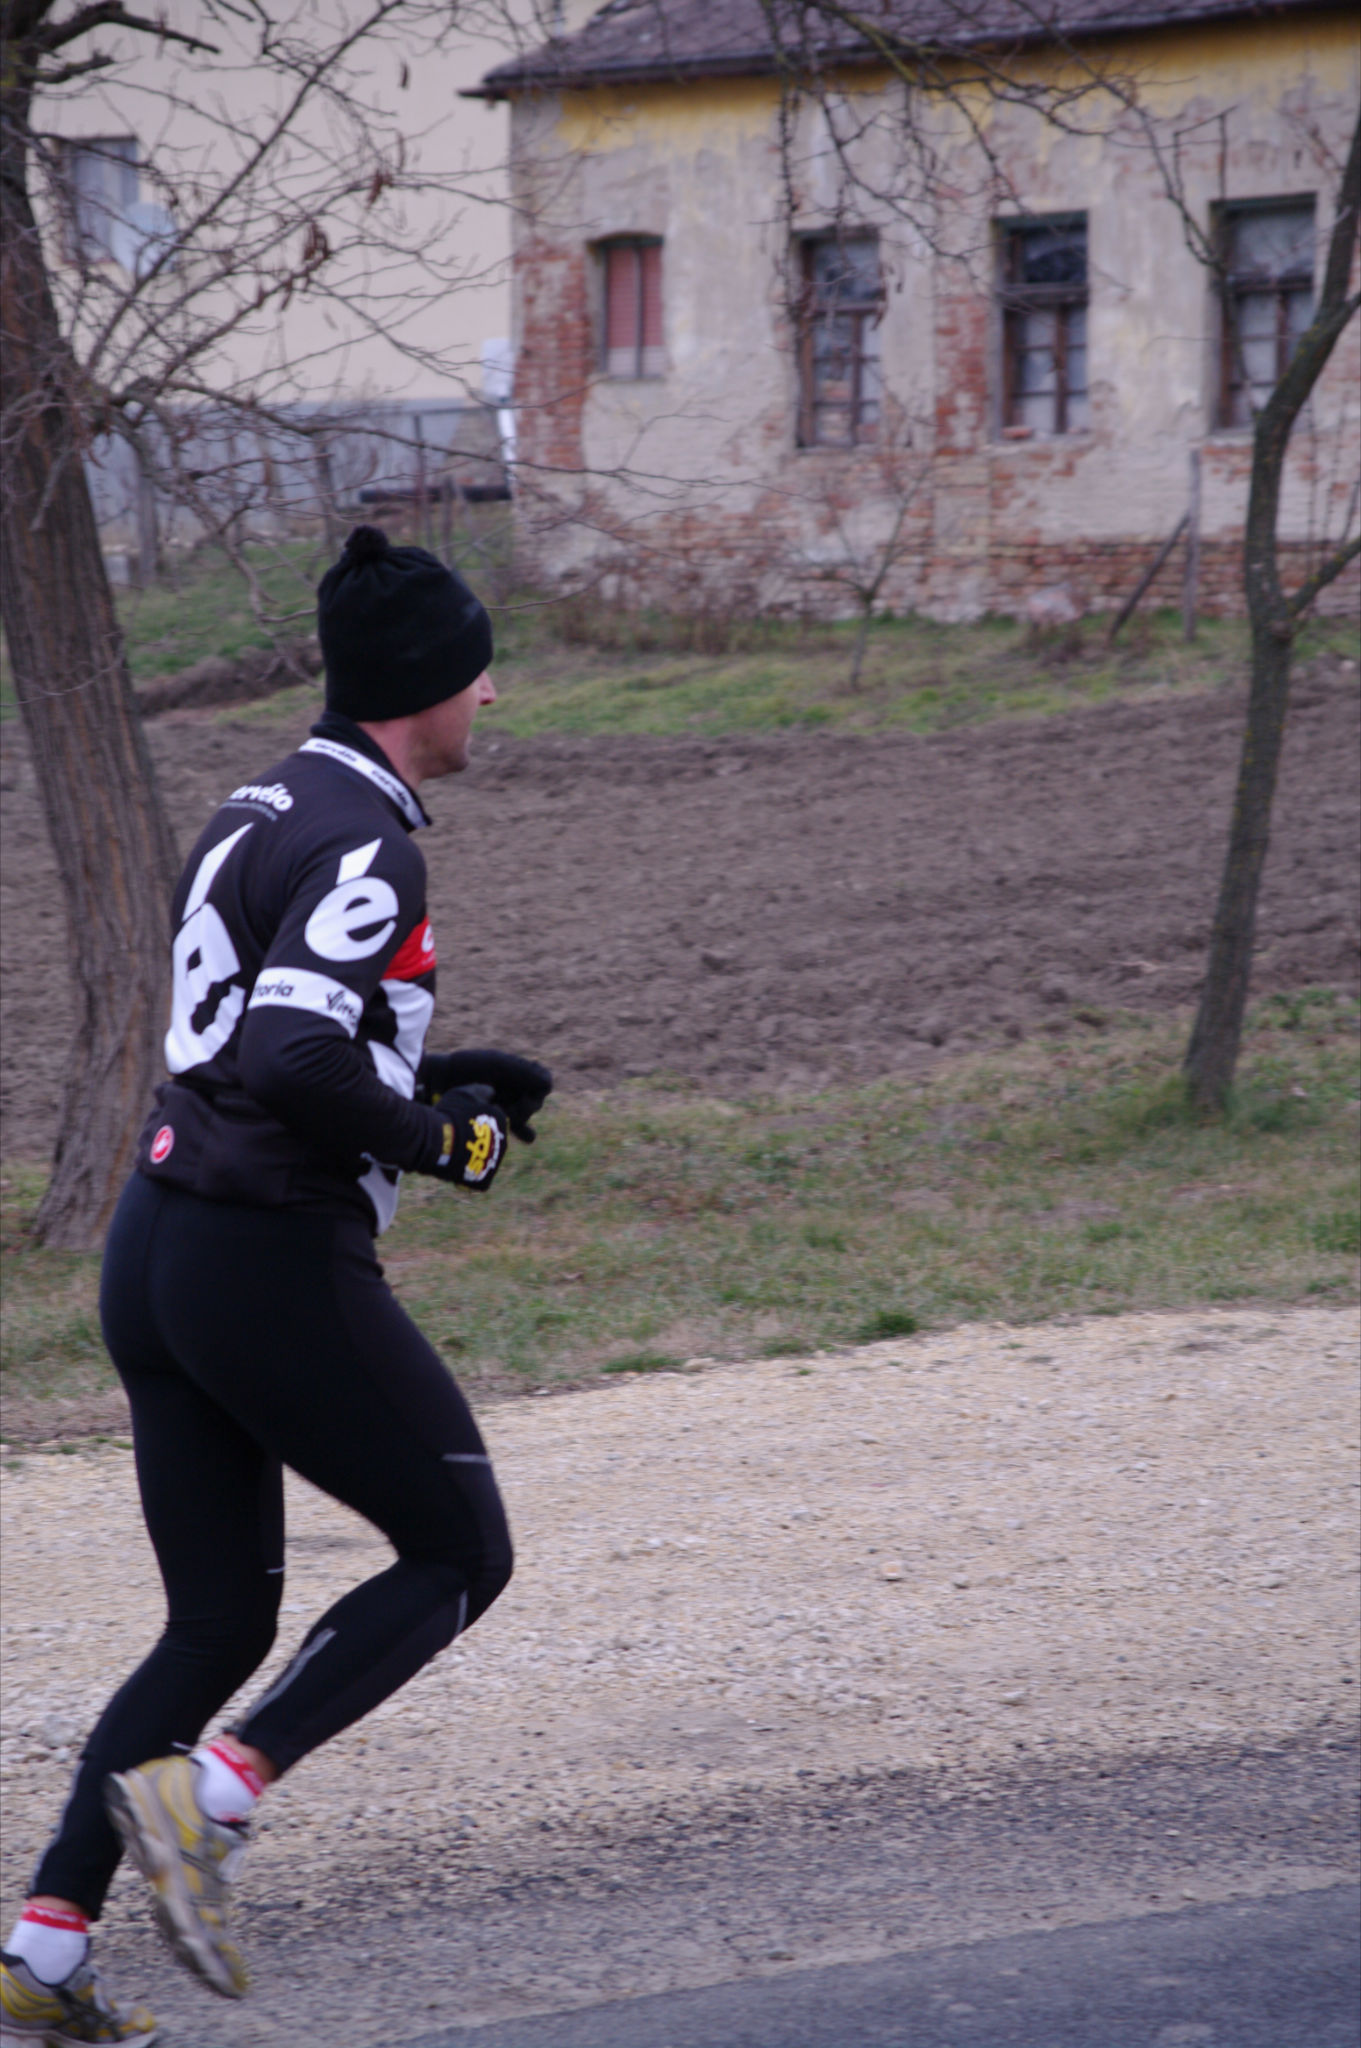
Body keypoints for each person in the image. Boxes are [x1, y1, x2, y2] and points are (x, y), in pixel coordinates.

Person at [0, 527, 550, 2048]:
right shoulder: (374, 840)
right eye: (478, 670)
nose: (491, 695)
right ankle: (216, 1796)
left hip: (157, 1244)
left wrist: (433, 1074)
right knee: (460, 1550)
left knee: (215, 1623)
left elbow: (263, 1039)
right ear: (424, 684)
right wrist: (444, 1140)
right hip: (262, 1257)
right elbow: (295, 1056)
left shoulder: (265, 801)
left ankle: (42, 1950)